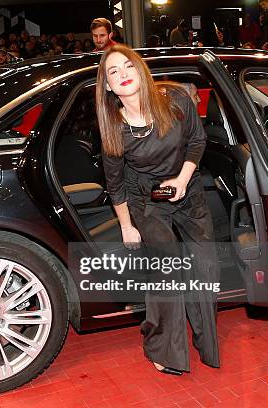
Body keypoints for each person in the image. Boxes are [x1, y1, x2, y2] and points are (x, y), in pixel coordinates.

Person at [96, 45, 220, 375]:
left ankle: (206, 343)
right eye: (113, 72)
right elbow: (116, 183)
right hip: (146, 200)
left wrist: (182, 178)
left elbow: (197, 140)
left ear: (141, 70)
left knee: (205, 266)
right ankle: (163, 347)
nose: (122, 74)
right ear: (108, 85)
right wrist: (127, 226)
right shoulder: (113, 127)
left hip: (187, 189)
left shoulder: (176, 100)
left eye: (127, 66)